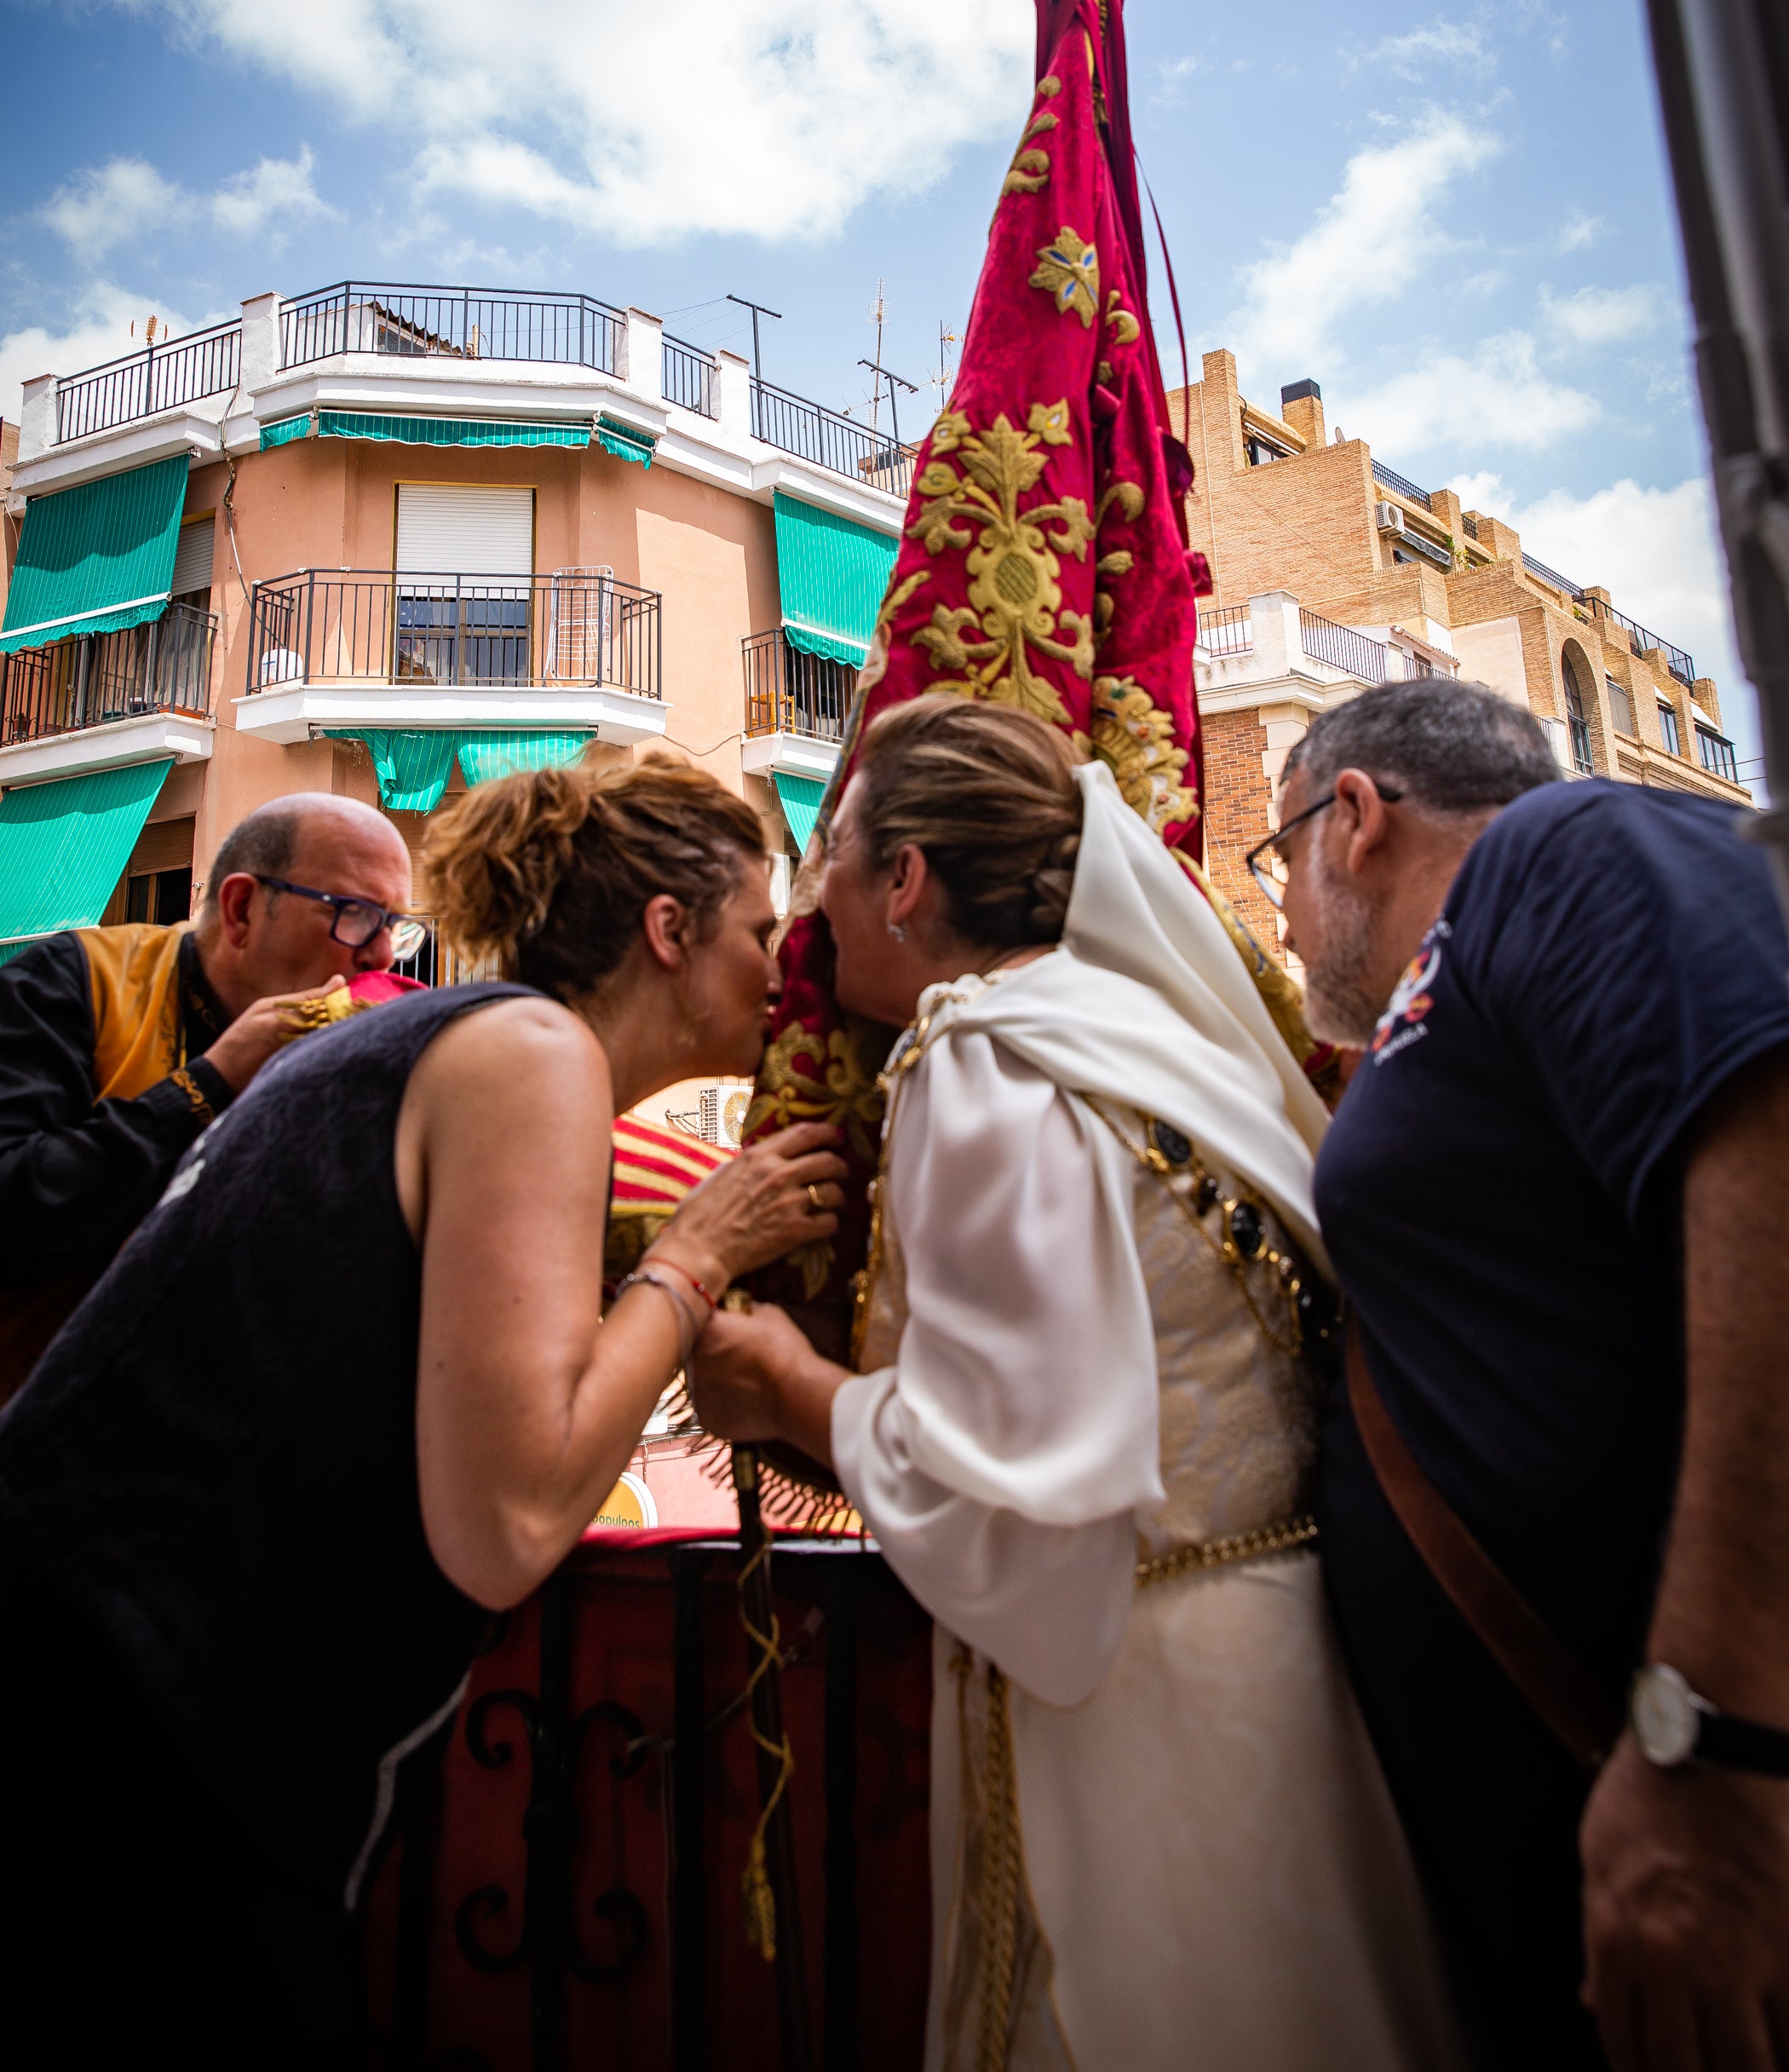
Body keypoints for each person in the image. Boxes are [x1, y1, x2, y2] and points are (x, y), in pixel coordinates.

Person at [0, 756, 847, 2066]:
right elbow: (507, 1518)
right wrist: (696, 1258)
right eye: (759, 930)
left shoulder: (445, 1042)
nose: (781, 964)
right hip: (121, 1768)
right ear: (669, 933)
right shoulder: (530, 1051)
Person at [691, 694, 1465, 2072]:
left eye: (835, 864)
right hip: (1290, 1674)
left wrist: (786, 1388)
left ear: (907, 882)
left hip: (1138, 1706)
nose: (813, 914)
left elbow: (1012, 1487)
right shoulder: (1154, 1037)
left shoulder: (984, 1057)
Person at [1261, 676, 1789, 2070]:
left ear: (1354, 819)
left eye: (1278, 861)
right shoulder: (1453, 993)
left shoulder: (1564, 848)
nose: (1280, 914)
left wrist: (1714, 1735)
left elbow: (1770, 1144)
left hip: (1698, 1810)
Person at [0, 790, 419, 1395]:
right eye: (354, 914)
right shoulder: (74, 984)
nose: (380, 952)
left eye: (395, 926)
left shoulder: (351, 1060)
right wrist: (211, 1082)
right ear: (242, 908)